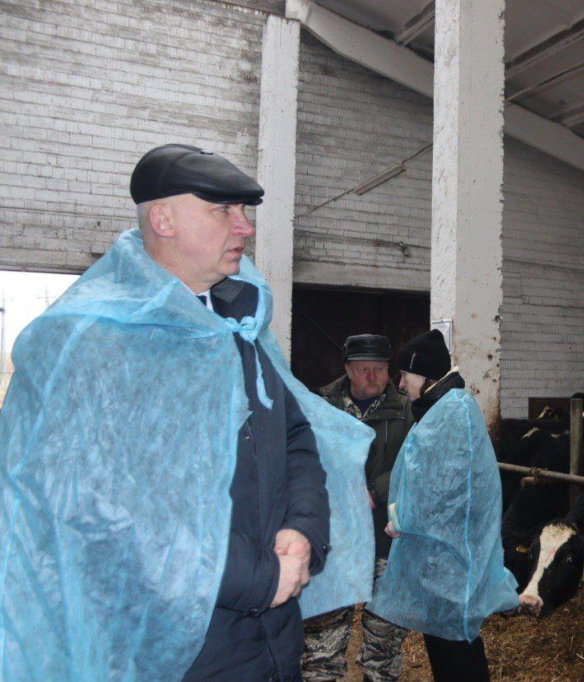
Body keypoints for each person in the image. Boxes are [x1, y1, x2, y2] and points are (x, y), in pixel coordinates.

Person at [0, 144, 375, 680]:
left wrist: (303, 530)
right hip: (170, 650)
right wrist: (257, 576)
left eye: (243, 211)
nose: (245, 227)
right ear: (164, 220)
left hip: (273, 638)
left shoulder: (238, 328)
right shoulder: (88, 342)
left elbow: (295, 436)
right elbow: (96, 507)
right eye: (223, 210)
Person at [367, 329, 519, 682]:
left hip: (452, 558)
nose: (400, 384)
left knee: (456, 646)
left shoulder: (453, 410)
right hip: (440, 554)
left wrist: (402, 518)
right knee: (443, 640)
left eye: (405, 375)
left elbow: (444, 487)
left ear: (424, 374)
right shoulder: (441, 408)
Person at [303, 334, 413, 681]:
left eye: (379, 369)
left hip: (385, 536)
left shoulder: (406, 410)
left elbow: (415, 461)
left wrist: (375, 492)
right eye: (363, 369)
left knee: (384, 633)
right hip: (333, 537)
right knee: (323, 636)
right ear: (348, 369)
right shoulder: (321, 406)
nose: (372, 377)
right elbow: (303, 457)